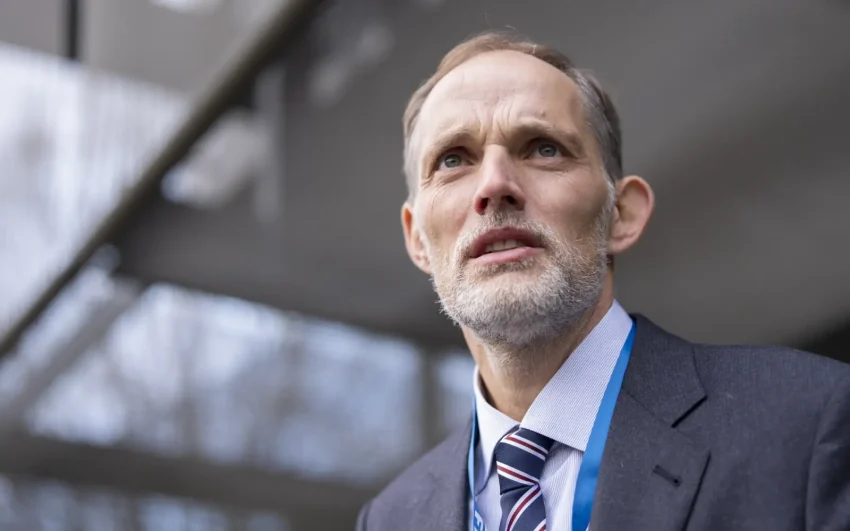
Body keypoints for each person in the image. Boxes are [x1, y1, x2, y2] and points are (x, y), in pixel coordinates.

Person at [355, 31, 850, 531]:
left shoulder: (810, 421)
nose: (495, 184)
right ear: (417, 238)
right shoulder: (388, 520)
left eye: (543, 148)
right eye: (453, 159)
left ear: (622, 214)